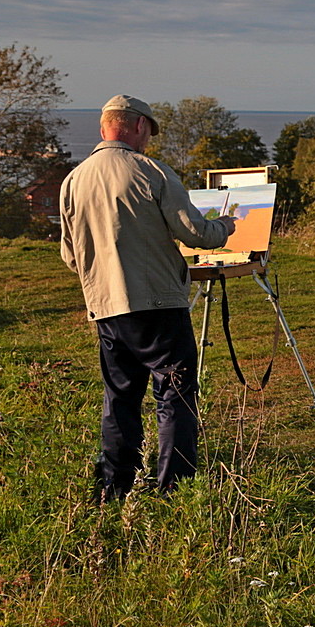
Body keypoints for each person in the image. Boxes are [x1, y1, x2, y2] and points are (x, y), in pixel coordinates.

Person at [60, 94, 238, 501]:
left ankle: (112, 489)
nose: (148, 141)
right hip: (159, 305)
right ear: (138, 126)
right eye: (149, 133)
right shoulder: (150, 171)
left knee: (120, 398)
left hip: (106, 307)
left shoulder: (74, 180)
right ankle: (174, 490)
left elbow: (71, 256)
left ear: (104, 126)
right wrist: (226, 226)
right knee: (174, 395)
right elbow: (197, 234)